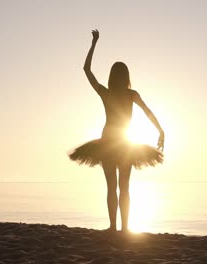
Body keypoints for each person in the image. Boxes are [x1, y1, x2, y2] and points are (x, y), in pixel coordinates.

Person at [69, 29, 165, 233]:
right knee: (124, 187)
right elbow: (148, 112)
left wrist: (94, 43)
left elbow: (86, 70)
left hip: (110, 142)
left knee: (112, 186)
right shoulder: (131, 94)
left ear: (112, 76)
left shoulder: (106, 93)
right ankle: (124, 228)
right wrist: (160, 131)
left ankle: (114, 227)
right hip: (124, 143)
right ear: (126, 77)